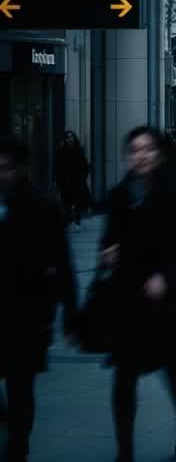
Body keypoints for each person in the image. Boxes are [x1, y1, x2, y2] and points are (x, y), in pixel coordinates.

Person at [100, 127, 176, 460]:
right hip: (127, 301)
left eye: (146, 150)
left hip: (164, 301)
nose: (140, 156)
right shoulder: (118, 197)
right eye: (134, 150)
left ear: (158, 154)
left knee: (174, 371)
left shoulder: (174, 196)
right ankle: (123, 447)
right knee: (124, 377)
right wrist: (107, 254)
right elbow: (108, 239)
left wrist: (167, 277)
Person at [0, 136, 78, 462]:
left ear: (20, 168)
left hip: (26, 315)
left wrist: (70, 312)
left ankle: (18, 445)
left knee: (21, 386)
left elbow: (62, 263)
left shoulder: (42, 207)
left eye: (4, 168)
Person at [54, 130, 92, 230]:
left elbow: (84, 165)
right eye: (67, 137)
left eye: (71, 137)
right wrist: (57, 180)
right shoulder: (61, 151)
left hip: (77, 181)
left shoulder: (79, 150)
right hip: (65, 181)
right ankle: (70, 220)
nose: (69, 139)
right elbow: (57, 167)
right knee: (66, 202)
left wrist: (82, 176)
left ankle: (77, 221)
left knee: (78, 201)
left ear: (74, 138)